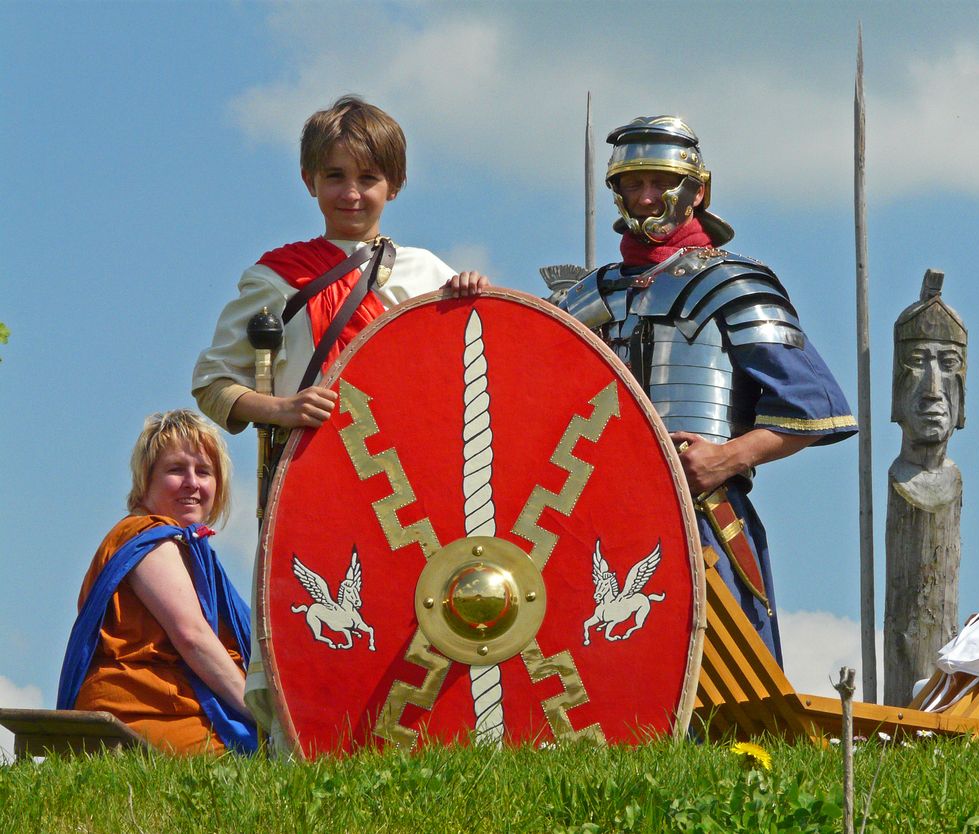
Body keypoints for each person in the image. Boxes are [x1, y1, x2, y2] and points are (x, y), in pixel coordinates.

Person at [191, 95, 489, 751]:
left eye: (367, 178)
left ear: (394, 184)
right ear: (310, 182)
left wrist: (471, 299)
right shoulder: (275, 277)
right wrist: (281, 409)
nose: (351, 194)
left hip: (404, 495)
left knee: (402, 635)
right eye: (335, 176)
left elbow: (472, 378)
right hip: (311, 485)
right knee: (312, 632)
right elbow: (212, 382)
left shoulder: (427, 275)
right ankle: (294, 771)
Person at [560, 115, 856, 664]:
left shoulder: (732, 282)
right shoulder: (579, 300)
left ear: (696, 192)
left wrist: (727, 458)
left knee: (727, 686)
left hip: (703, 513)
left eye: (661, 182)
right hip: (597, 517)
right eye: (633, 183)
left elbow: (817, 406)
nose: (646, 197)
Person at [57, 410, 255, 755]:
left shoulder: (185, 547)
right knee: (268, 757)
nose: (192, 482)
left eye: (204, 471)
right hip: (144, 708)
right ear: (145, 481)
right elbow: (192, 638)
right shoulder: (149, 537)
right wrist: (262, 714)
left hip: (176, 704)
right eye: (176, 469)